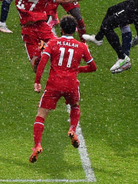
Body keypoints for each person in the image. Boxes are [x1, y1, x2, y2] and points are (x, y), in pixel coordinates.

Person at [29, 15, 97, 163]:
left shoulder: (53, 43)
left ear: (61, 29)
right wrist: (79, 69)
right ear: (75, 30)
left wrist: (37, 81)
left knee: (41, 115)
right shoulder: (82, 46)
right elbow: (93, 67)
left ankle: (37, 145)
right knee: (74, 105)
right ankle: (72, 129)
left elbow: (42, 63)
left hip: (54, 84)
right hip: (71, 84)